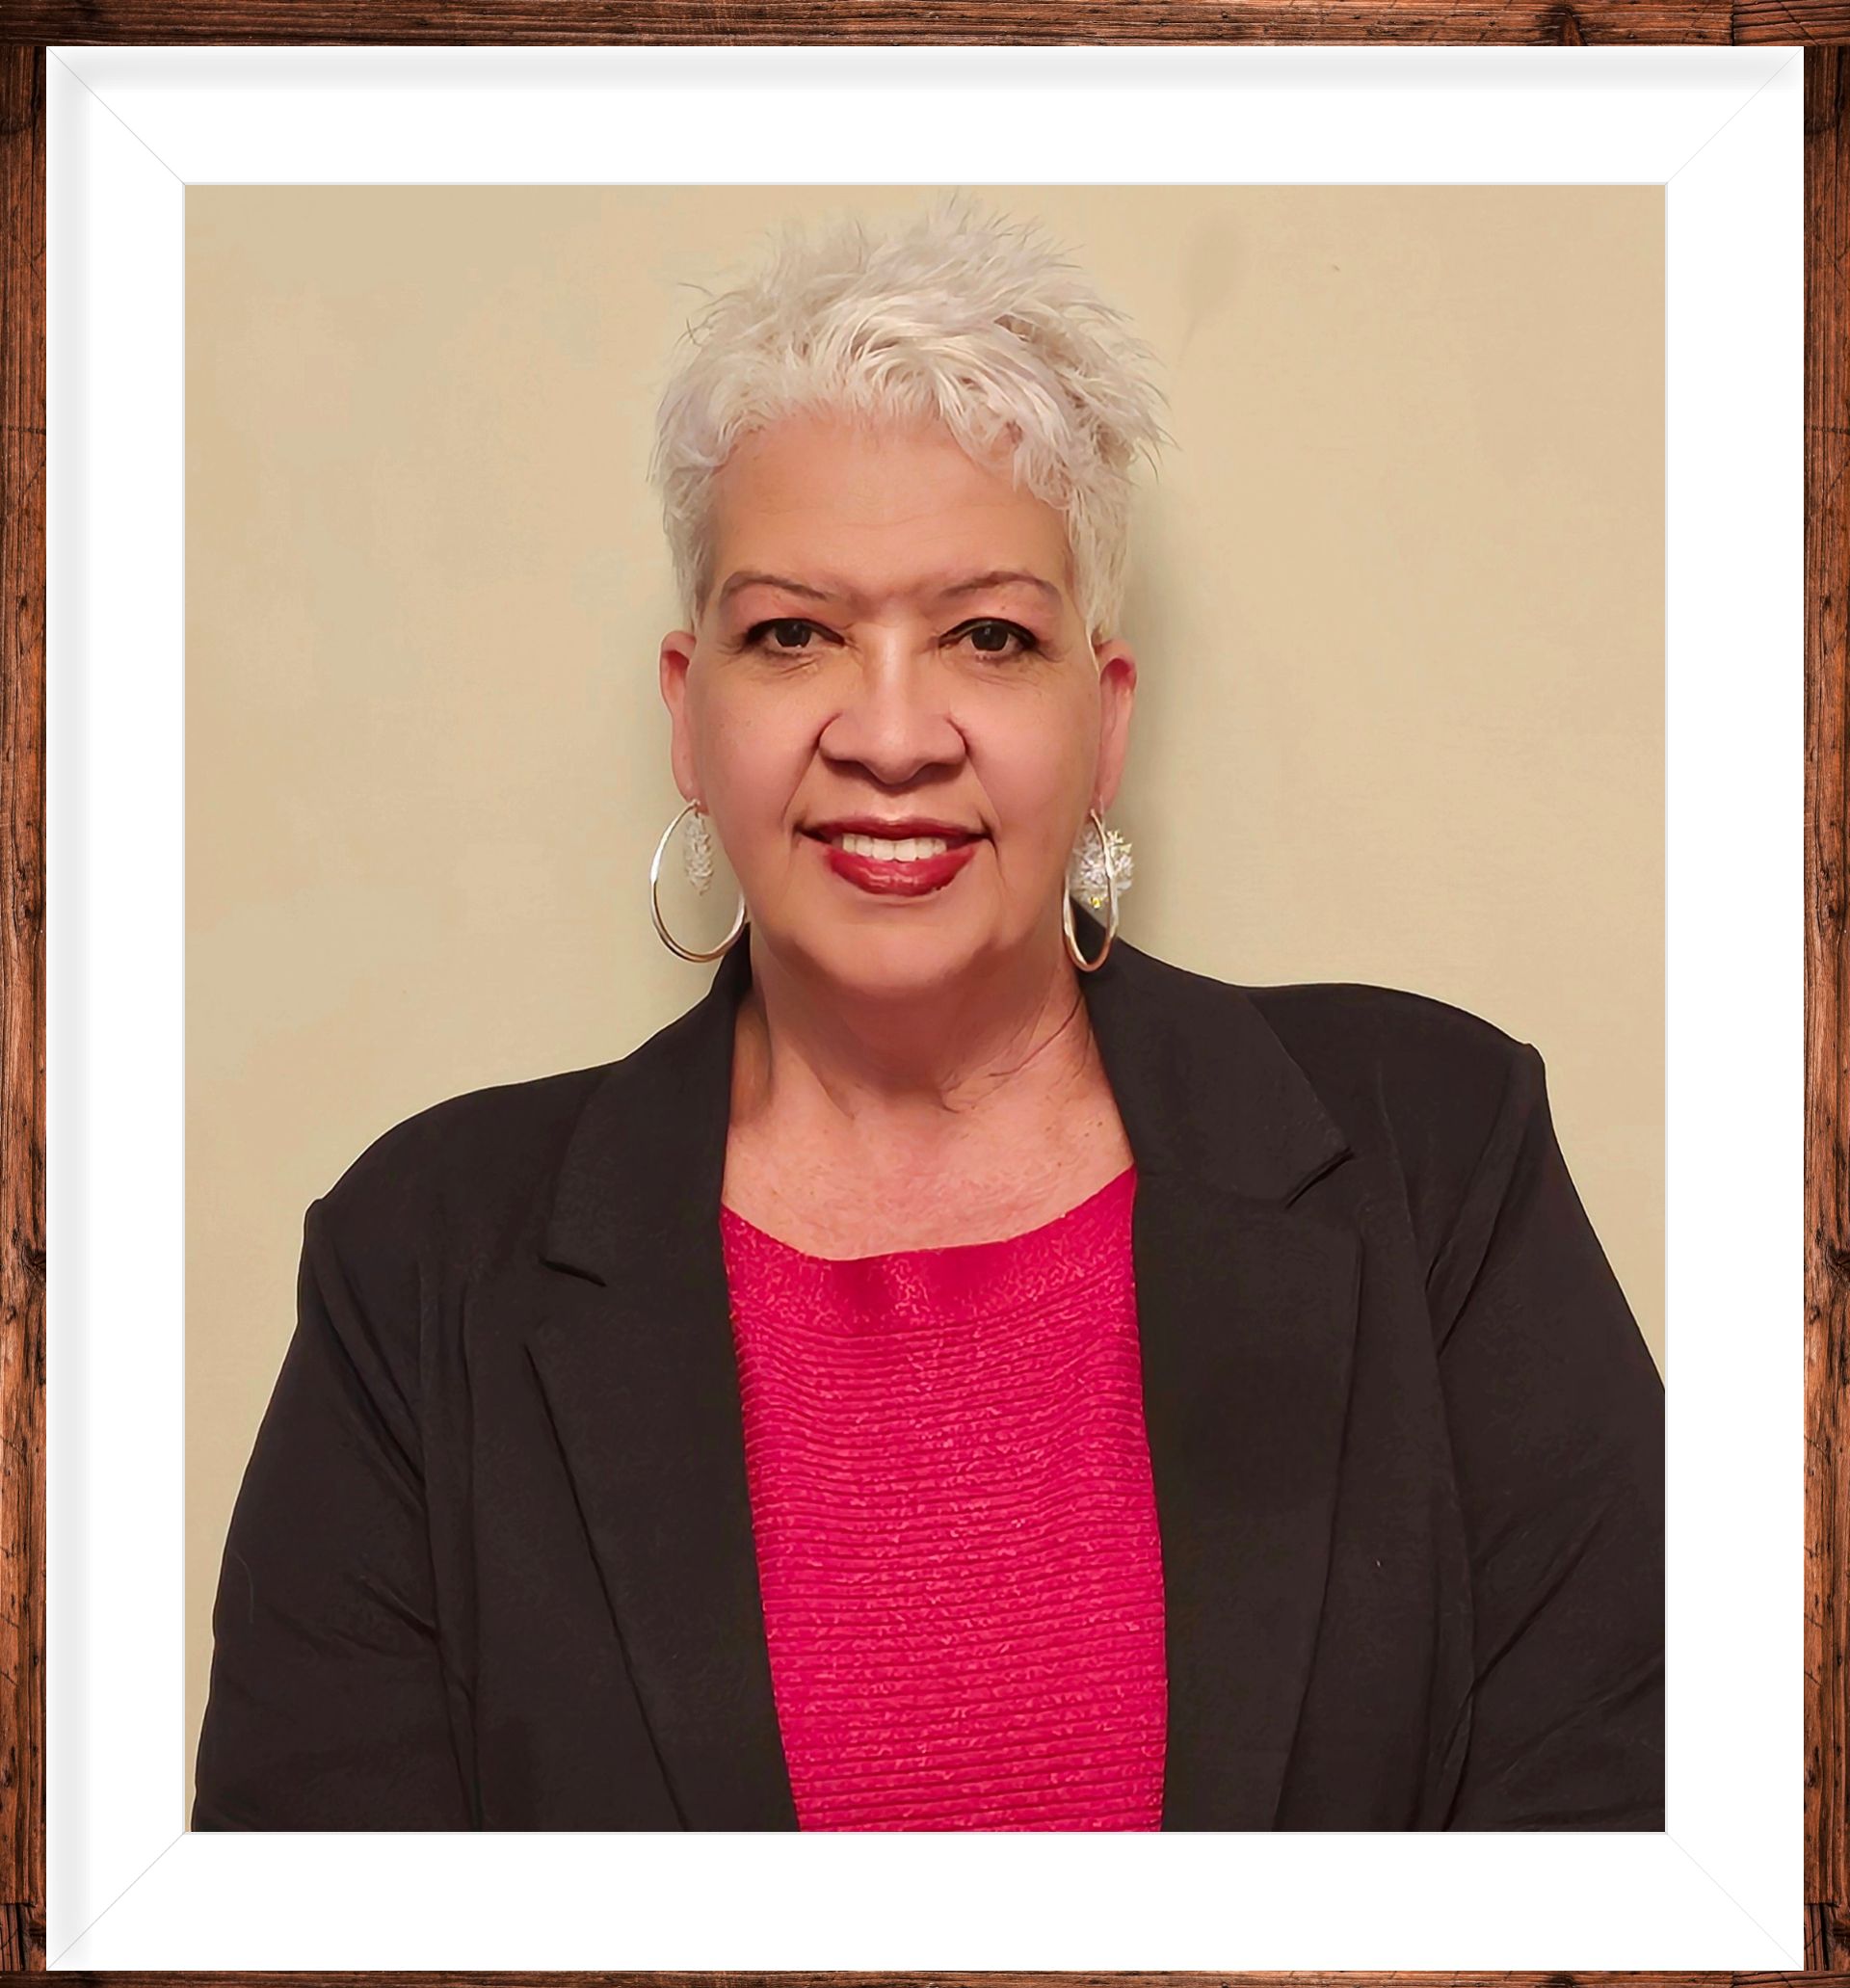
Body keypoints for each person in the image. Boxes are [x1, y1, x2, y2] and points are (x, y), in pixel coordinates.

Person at [193, 192, 1664, 1833]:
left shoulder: (1436, 1158)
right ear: (690, 714)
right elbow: (316, 1930)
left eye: (988, 634)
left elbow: (1627, 1860)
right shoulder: (420, 1262)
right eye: (793, 633)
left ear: (1104, 719)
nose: (891, 736)